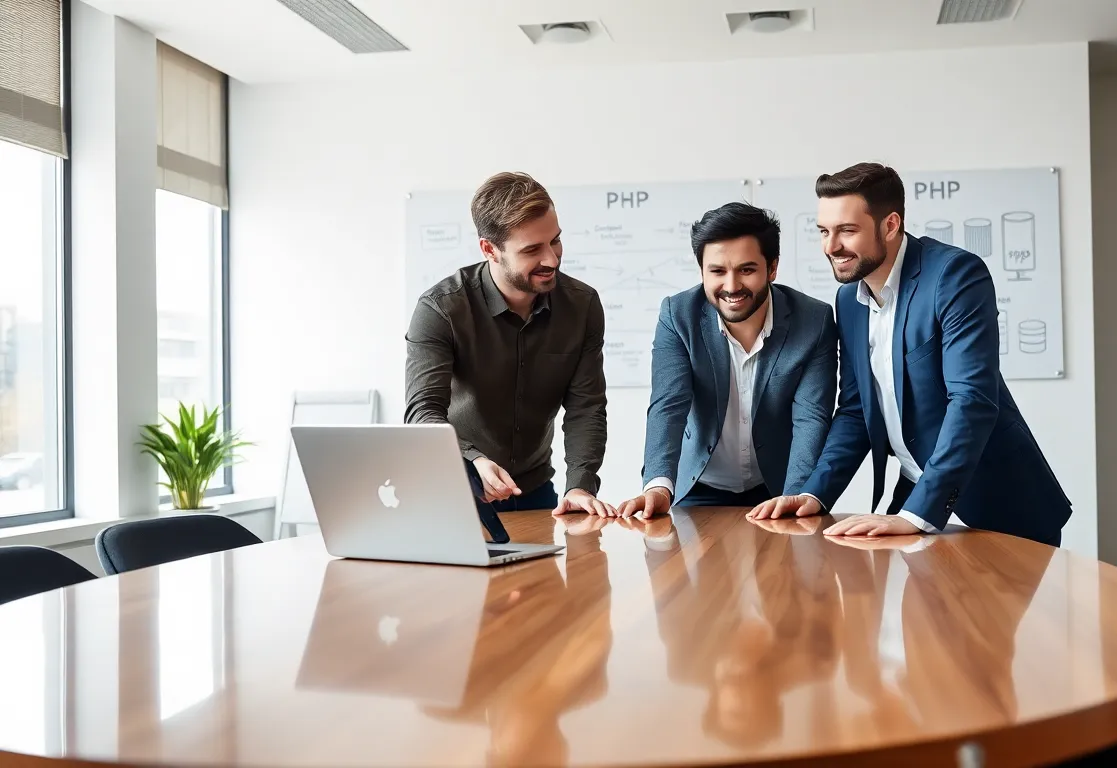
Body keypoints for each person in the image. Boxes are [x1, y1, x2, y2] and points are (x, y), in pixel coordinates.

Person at [748, 163, 1071, 546]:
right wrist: (813, 494)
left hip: (996, 501)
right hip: (914, 492)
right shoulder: (848, 300)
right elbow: (854, 410)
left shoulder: (955, 276)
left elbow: (972, 401)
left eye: (847, 231)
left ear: (890, 224)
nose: (830, 246)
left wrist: (918, 513)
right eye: (824, 231)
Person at [404, 171, 616, 518]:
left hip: (536, 492)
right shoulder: (441, 309)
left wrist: (580, 484)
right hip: (456, 489)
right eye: (532, 250)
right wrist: (473, 459)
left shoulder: (582, 305)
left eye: (556, 241)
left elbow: (586, 407)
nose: (552, 259)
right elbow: (422, 413)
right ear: (490, 249)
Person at [614, 202, 837, 519]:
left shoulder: (814, 320)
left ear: (772, 268)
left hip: (778, 486)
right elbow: (668, 404)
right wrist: (658, 486)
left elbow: (811, 418)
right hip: (699, 486)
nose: (732, 287)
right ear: (702, 271)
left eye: (746, 270)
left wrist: (796, 495)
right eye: (717, 271)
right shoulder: (677, 316)